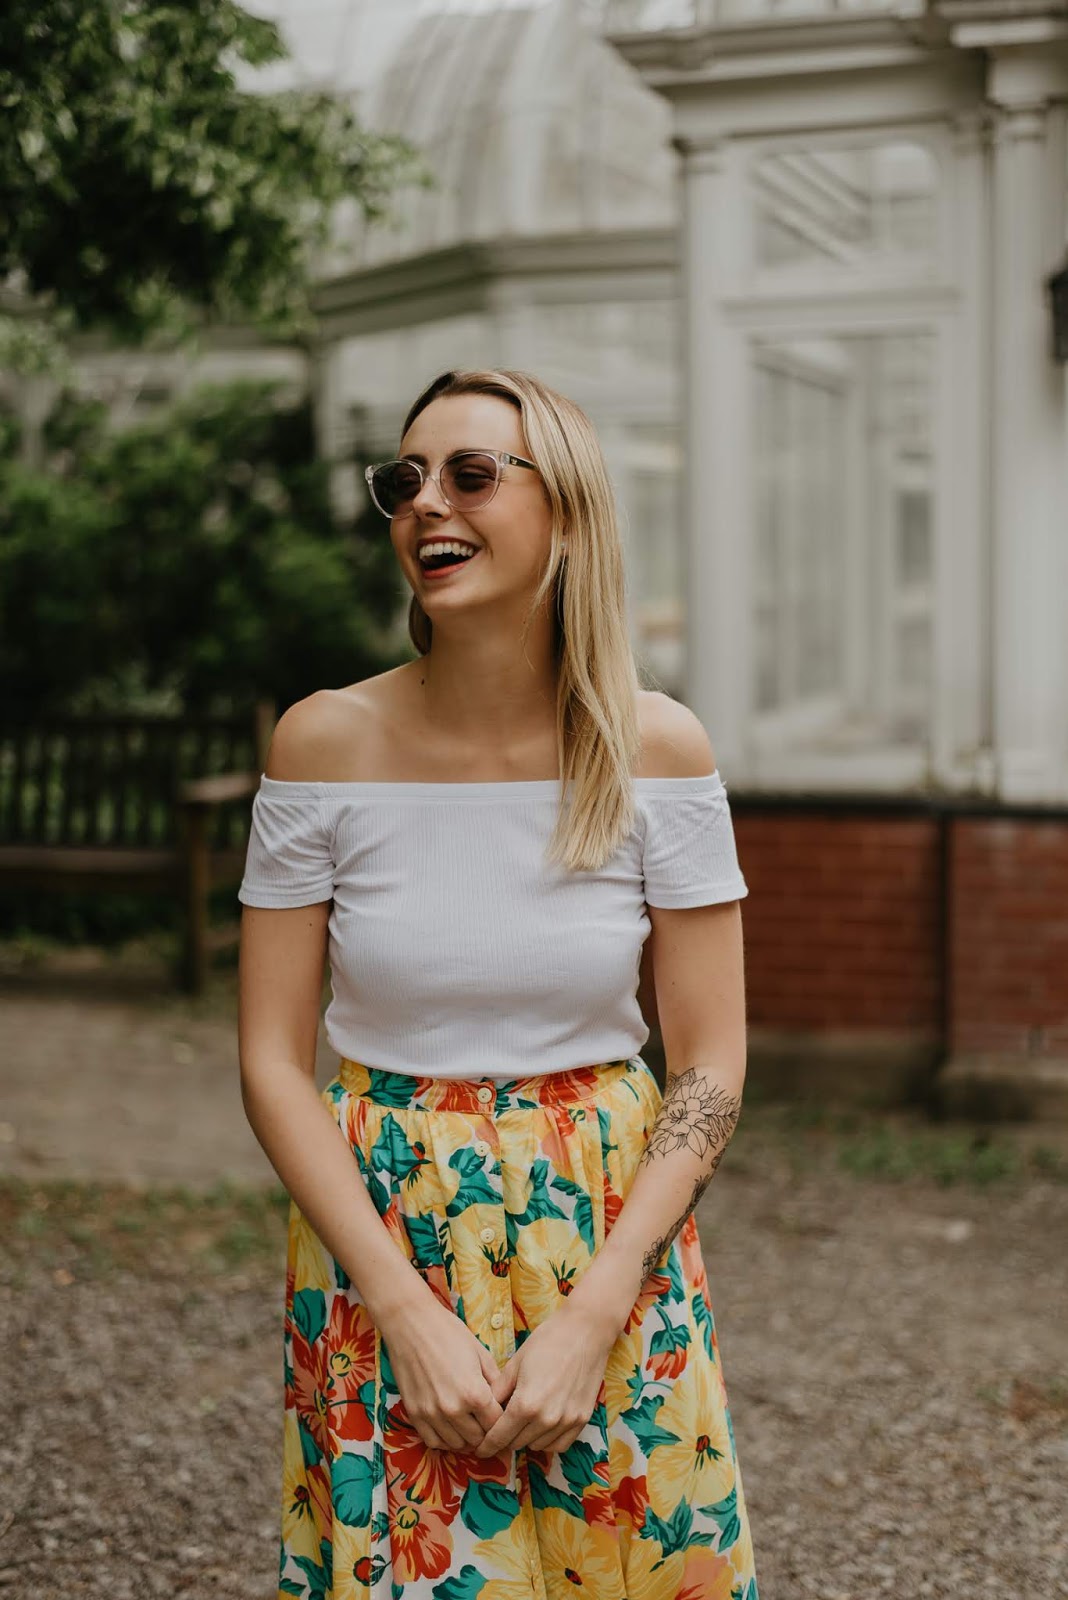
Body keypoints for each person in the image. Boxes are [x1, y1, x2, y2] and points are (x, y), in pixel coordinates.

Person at [236, 367, 759, 1600]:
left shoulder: (657, 749)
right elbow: (271, 1060)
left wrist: (596, 1311)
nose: (427, 502)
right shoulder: (321, 743)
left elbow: (711, 1064)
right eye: (404, 478)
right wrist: (401, 1310)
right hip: (386, 1236)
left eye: (471, 473)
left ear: (565, 509)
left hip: (609, 1239)